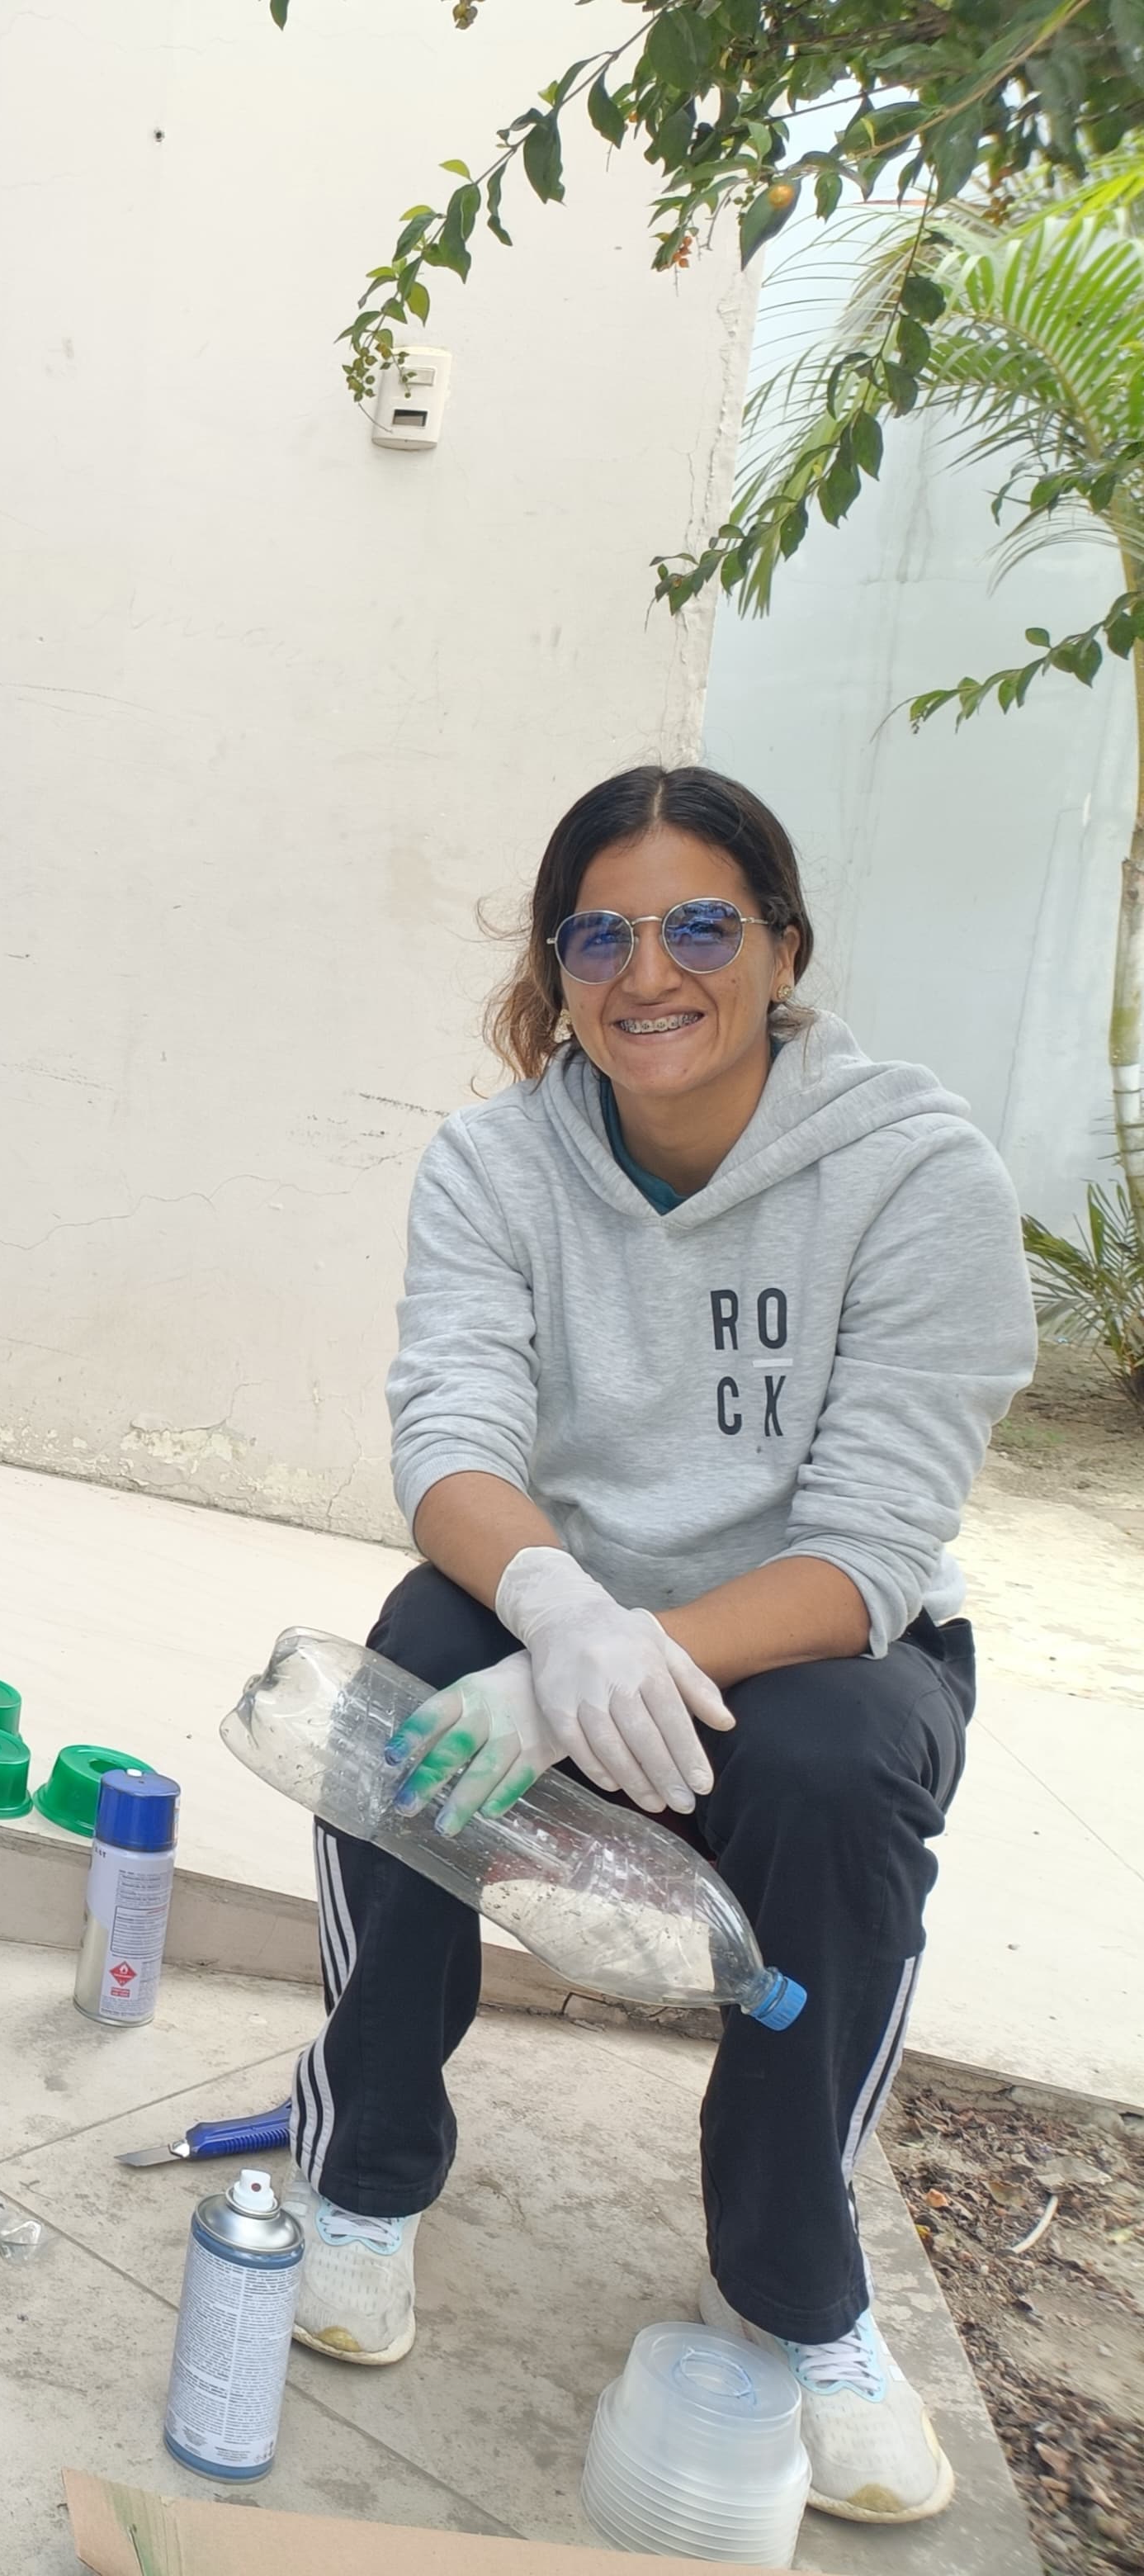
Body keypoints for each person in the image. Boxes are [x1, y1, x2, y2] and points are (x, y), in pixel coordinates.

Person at [289, 765, 1033, 2525]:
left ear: (782, 948)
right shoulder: (495, 1165)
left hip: (806, 1649)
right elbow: (450, 1438)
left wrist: (630, 1660)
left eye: (700, 925)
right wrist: (556, 1620)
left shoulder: (914, 1172)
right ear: (554, 970)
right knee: (410, 1680)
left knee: (840, 1775)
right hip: (563, 1602)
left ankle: (791, 2290)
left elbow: (871, 1544)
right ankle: (365, 2178)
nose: (649, 974)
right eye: (598, 937)